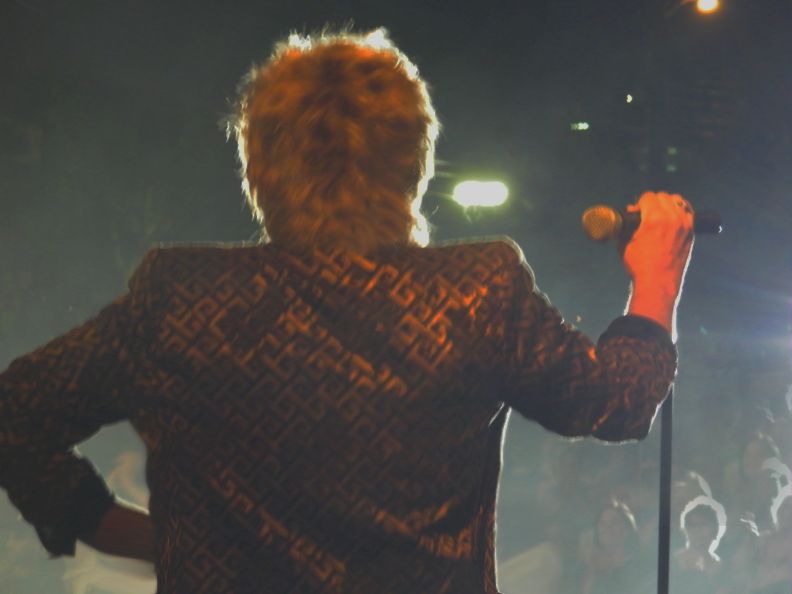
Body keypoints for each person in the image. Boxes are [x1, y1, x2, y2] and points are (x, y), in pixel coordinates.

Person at [0, 29, 694, 593]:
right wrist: (657, 279)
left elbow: (14, 415)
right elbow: (616, 403)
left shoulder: (177, 298)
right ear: (414, 163)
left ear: (257, 169)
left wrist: (127, 532)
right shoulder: (475, 291)